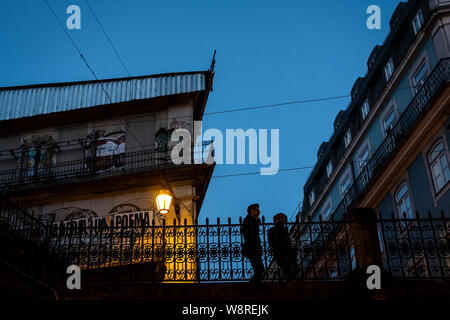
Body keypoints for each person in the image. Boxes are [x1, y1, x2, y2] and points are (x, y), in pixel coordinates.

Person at [268, 213, 298, 280]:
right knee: (288, 270)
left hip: (288, 253)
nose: (280, 220)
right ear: (275, 220)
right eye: (278, 218)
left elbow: (288, 242)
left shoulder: (285, 230)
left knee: (293, 270)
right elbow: (271, 242)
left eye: (282, 218)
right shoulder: (272, 230)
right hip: (280, 253)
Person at [241, 203, 265, 282]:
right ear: (251, 210)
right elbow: (250, 233)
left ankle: (255, 283)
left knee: (260, 269)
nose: (259, 212)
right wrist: (257, 221)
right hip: (251, 248)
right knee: (259, 269)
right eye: (257, 210)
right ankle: (254, 284)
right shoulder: (247, 220)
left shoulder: (251, 220)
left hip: (255, 248)